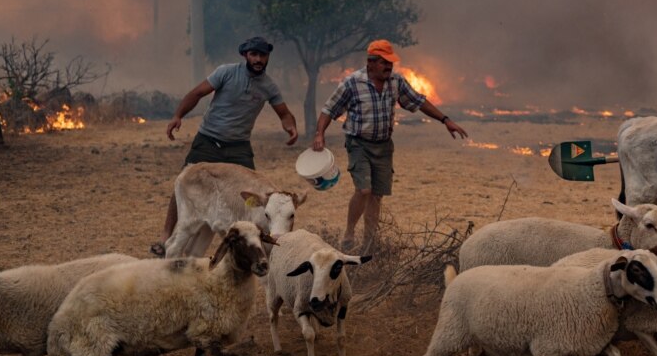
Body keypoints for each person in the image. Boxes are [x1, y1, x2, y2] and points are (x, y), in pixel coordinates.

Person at [312, 39, 468, 249]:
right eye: (384, 62)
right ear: (371, 63)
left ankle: (369, 243)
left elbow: (419, 101)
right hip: (359, 143)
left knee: (376, 196)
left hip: (384, 146)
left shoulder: (396, 81)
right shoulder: (352, 83)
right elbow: (329, 109)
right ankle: (349, 233)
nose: (389, 66)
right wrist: (319, 134)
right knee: (364, 190)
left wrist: (445, 120)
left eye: (390, 62)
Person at [150, 36, 299, 256]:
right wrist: (178, 115)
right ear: (245, 55)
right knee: (186, 181)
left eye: (263, 55)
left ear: (267, 57)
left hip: (238, 146)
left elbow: (284, 113)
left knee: (253, 195)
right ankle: (165, 237)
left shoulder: (269, 86)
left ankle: (247, 243)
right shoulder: (226, 72)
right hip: (209, 139)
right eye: (254, 54)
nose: (258, 59)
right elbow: (197, 93)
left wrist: (291, 128)